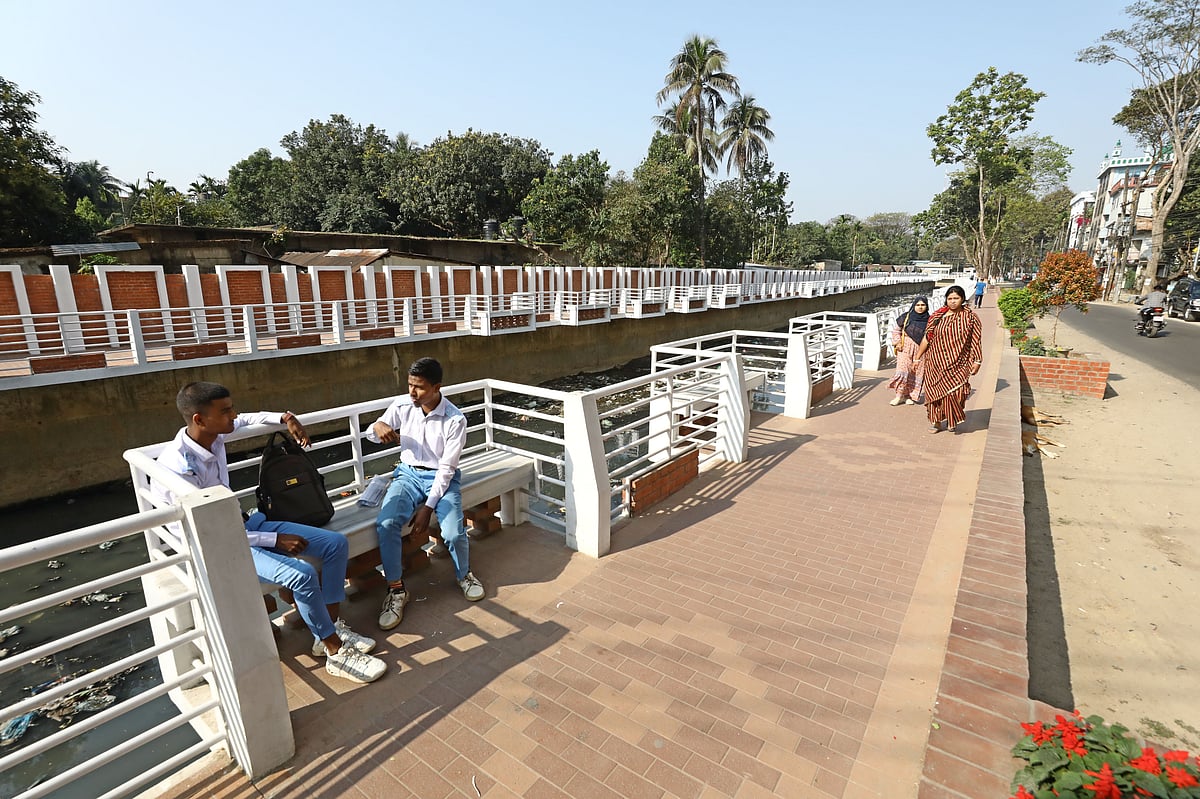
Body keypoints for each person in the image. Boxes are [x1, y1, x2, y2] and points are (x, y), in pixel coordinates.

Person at [152, 382, 387, 684]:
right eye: (226, 411)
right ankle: (335, 653)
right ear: (199, 419)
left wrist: (286, 418)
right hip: (218, 545)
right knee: (300, 575)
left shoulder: (214, 435)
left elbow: (249, 419)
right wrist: (273, 539)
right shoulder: (179, 469)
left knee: (335, 544)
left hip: (243, 525)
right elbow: (206, 535)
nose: (233, 416)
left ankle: (327, 627)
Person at [369, 357, 485, 632]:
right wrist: (377, 427)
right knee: (385, 525)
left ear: (436, 387)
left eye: (419, 387)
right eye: (409, 385)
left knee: (454, 533)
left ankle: (464, 575)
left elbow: (447, 468)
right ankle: (396, 590)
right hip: (407, 474)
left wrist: (428, 507)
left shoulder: (455, 419)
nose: (412, 392)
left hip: (441, 478)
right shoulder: (402, 405)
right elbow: (374, 433)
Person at [914, 285, 982, 434]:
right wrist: (917, 358)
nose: (952, 302)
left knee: (957, 393)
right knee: (934, 394)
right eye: (950, 298)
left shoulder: (970, 317)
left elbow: (975, 340)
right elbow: (927, 338)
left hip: (959, 362)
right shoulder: (937, 317)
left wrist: (977, 361)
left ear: (962, 299)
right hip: (935, 362)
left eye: (956, 298)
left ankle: (952, 420)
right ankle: (936, 422)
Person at [886, 297, 929, 406]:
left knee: (916, 372)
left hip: (921, 349)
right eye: (918, 305)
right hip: (905, 347)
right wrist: (898, 342)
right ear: (914, 305)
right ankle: (899, 396)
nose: (920, 307)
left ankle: (909, 396)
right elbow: (896, 330)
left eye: (923, 305)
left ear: (926, 306)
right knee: (902, 370)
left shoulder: (929, 319)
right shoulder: (906, 317)